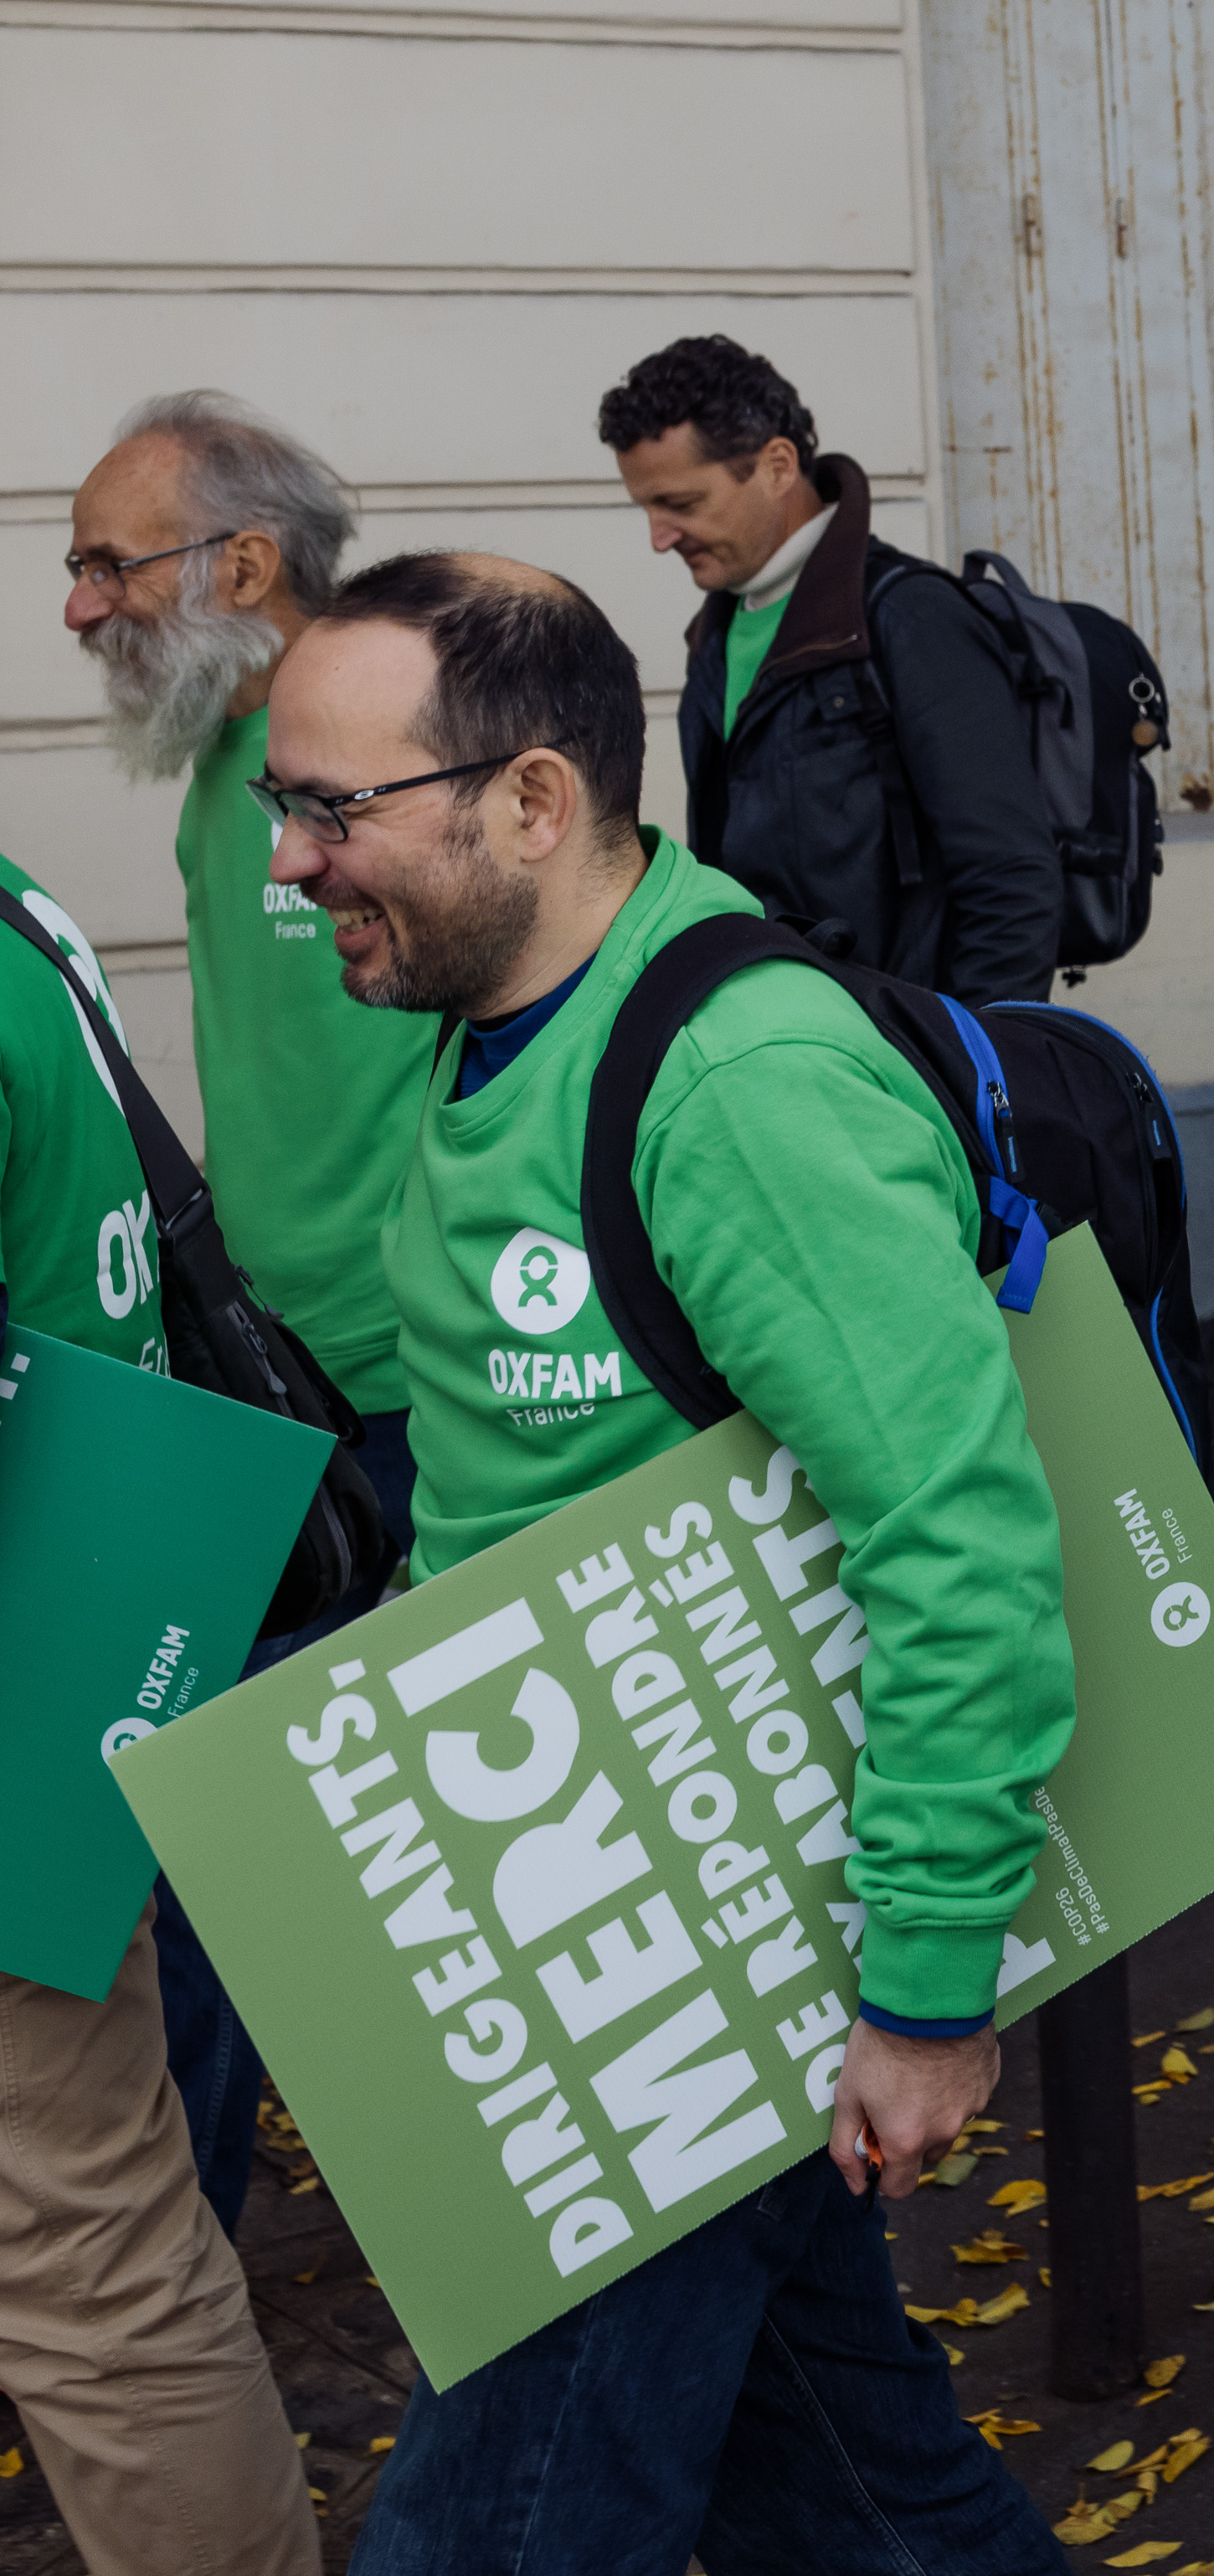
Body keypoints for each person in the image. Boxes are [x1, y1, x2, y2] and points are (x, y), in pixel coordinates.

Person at [268, 554, 1073, 2575]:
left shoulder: (739, 1081)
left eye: (335, 808)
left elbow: (955, 1528)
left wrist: (924, 1981)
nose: (291, 860)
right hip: (593, 1925)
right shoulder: (484, 1019)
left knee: (495, 2531)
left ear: (531, 799)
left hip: (701, 1950)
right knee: (860, 2502)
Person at [63, 388, 437, 2227]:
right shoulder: (228, 765)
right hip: (264, 1391)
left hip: (406, 1403)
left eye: (105, 561)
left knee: (256, 1842)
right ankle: (176, 2232)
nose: (76, 606)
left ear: (247, 565)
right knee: (213, 1838)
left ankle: (176, 2253)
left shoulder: (387, 753)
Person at [0, 842, 315, 2576]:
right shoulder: (16, 906)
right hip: (72, 1645)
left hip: (25, 1687)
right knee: (103, 2242)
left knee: (91, 2271)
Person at [599, 335, 1063, 1002]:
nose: (658, 537)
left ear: (777, 465)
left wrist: (972, 1072)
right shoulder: (715, 634)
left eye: (683, 503)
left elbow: (1011, 880)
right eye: (647, 508)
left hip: (905, 1068)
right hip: (781, 1052)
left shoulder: (909, 619)